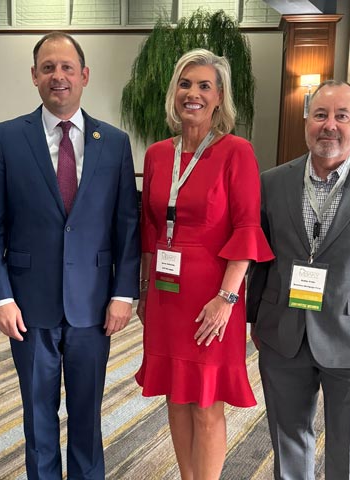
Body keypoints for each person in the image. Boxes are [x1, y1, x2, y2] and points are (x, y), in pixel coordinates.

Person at [0, 32, 140, 479]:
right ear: (34, 76)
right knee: (38, 416)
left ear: (84, 76)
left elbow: (127, 224)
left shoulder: (116, 142)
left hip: (93, 305)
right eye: (48, 67)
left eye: (67, 67)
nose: (58, 76)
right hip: (27, 306)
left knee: (88, 416)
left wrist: (125, 293)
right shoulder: (7, 137)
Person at [247, 80, 350, 479]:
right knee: (287, 440)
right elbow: (261, 259)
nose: (330, 125)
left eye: (341, 116)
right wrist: (257, 319)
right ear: (307, 122)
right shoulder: (273, 182)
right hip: (284, 336)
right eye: (320, 114)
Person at [134, 49, 274, 479]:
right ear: (174, 92)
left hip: (214, 298)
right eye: (185, 84)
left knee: (206, 403)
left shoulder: (237, 152)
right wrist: (143, 291)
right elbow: (149, 228)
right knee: (175, 397)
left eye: (204, 86)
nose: (192, 93)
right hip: (165, 295)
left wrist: (226, 298)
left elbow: (248, 229)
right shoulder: (158, 154)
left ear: (219, 99)